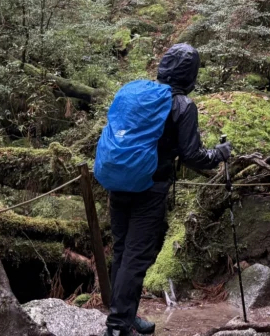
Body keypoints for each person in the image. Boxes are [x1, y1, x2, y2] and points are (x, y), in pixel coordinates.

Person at [104, 43, 231, 336]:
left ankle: (125, 315)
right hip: (150, 186)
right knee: (137, 255)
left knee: (122, 250)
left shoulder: (138, 94)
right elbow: (193, 155)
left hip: (119, 180)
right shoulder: (182, 105)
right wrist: (220, 153)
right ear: (190, 74)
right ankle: (117, 324)